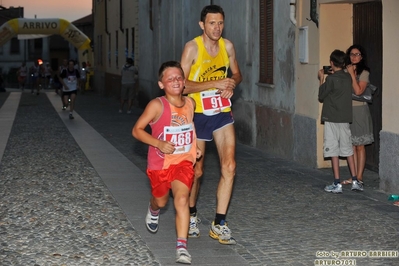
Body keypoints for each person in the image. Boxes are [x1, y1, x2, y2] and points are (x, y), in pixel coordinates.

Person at [180, 4, 242, 244]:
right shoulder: (192, 48)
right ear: (202, 25)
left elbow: (237, 74)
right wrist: (214, 83)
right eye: (212, 23)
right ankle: (192, 215)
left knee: (229, 166)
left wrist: (231, 83)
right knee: (196, 171)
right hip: (196, 115)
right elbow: (180, 85)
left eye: (220, 23)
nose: (217, 28)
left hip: (221, 113)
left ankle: (219, 223)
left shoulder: (228, 47)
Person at [132, 61, 201, 264]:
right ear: (161, 84)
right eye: (170, 78)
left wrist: (193, 146)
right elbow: (137, 130)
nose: (175, 81)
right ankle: (153, 210)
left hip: (183, 162)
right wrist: (159, 143)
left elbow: (189, 126)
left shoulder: (190, 103)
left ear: (184, 81)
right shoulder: (156, 105)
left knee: (182, 199)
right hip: (160, 164)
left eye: (179, 77)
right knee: (161, 201)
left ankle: (181, 248)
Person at [318, 49, 363, 193]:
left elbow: (321, 95)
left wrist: (321, 79)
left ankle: (337, 183)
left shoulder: (330, 79)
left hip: (332, 117)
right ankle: (355, 180)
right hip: (344, 118)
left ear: (332, 63)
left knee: (333, 150)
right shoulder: (347, 77)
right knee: (348, 149)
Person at [341, 44, 374, 186]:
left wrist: (352, 75)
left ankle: (359, 177)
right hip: (347, 110)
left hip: (360, 111)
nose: (354, 57)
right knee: (351, 145)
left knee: (360, 145)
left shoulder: (364, 72)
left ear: (362, 57)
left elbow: (359, 91)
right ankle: (353, 177)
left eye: (357, 54)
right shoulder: (344, 70)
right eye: (352, 54)